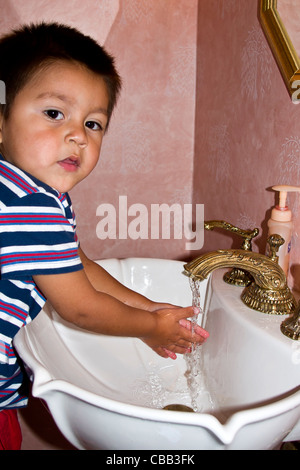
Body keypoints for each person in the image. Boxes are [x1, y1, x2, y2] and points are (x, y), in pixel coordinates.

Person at [0, 22, 209, 449]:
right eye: (55, 113)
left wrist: (147, 306)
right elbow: (80, 309)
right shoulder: (31, 207)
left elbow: (81, 268)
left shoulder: (22, 191)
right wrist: (149, 327)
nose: (78, 135)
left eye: (94, 124)